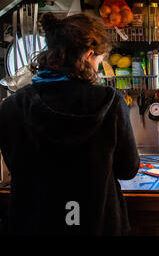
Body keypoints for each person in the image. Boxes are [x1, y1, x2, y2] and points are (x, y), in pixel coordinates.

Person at [0, 12, 139, 235]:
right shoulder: (110, 102)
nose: (98, 68)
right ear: (89, 55)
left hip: (34, 226)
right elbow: (128, 169)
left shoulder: (12, 105)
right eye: (99, 61)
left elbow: (15, 164)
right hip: (98, 225)